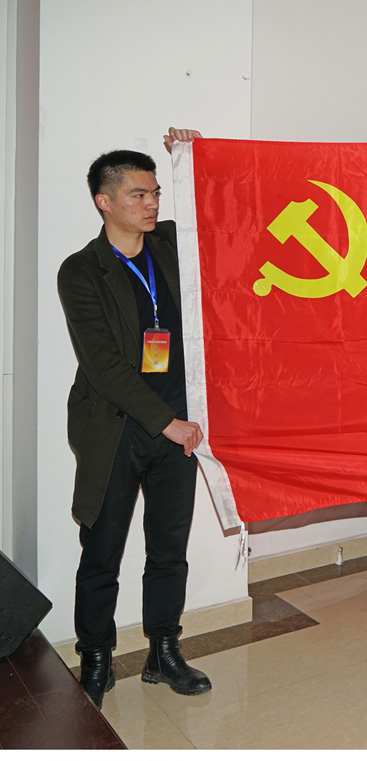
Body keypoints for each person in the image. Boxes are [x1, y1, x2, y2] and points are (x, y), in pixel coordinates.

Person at [57, 128, 211, 709]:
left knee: (168, 548)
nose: (151, 204)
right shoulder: (81, 271)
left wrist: (194, 155)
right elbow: (102, 366)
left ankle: (163, 651)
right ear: (104, 201)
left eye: (155, 194)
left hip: (178, 427)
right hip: (115, 429)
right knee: (102, 552)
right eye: (138, 195)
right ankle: (95, 658)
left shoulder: (169, 243)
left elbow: (216, 211)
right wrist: (166, 422)